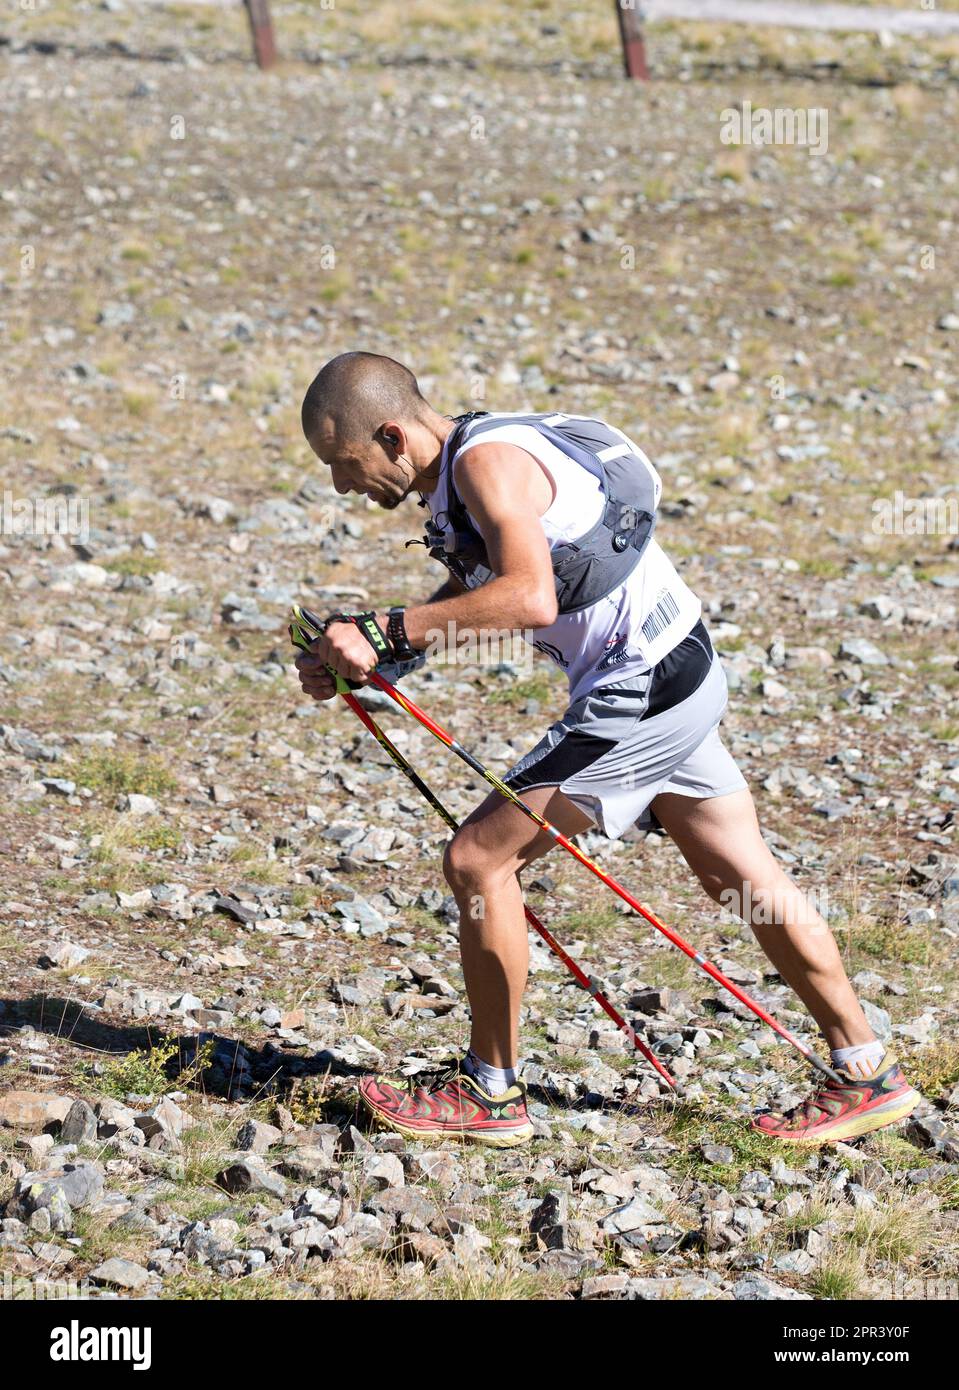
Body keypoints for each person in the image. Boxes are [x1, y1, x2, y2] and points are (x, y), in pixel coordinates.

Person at [294, 350, 920, 1148]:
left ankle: (488, 1094)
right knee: (738, 871)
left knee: (479, 860)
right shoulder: (489, 446)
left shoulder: (486, 466)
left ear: (391, 434)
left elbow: (529, 594)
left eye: (344, 466)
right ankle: (864, 1074)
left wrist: (388, 630)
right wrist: (394, 652)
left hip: (640, 690)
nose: (343, 487)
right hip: (682, 666)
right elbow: (496, 575)